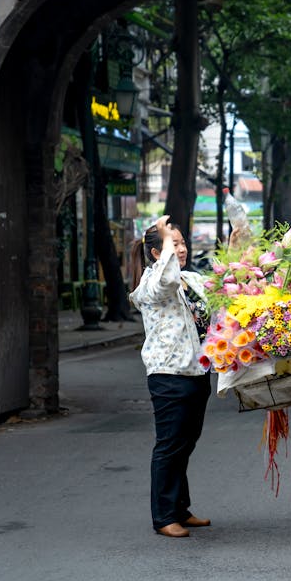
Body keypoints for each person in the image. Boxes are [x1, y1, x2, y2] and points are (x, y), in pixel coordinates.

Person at [128, 216, 213, 538]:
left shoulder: (190, 279)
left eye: (181, 243)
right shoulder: (150, 284)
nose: (181, 249)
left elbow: (223, 292)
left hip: (196, 371)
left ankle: (180, 508)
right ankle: (164, 516)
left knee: (185, 443)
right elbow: (166, 280)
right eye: (172, 243)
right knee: (169, 445)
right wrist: (163, 239)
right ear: (156, 252)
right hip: (169, 374)